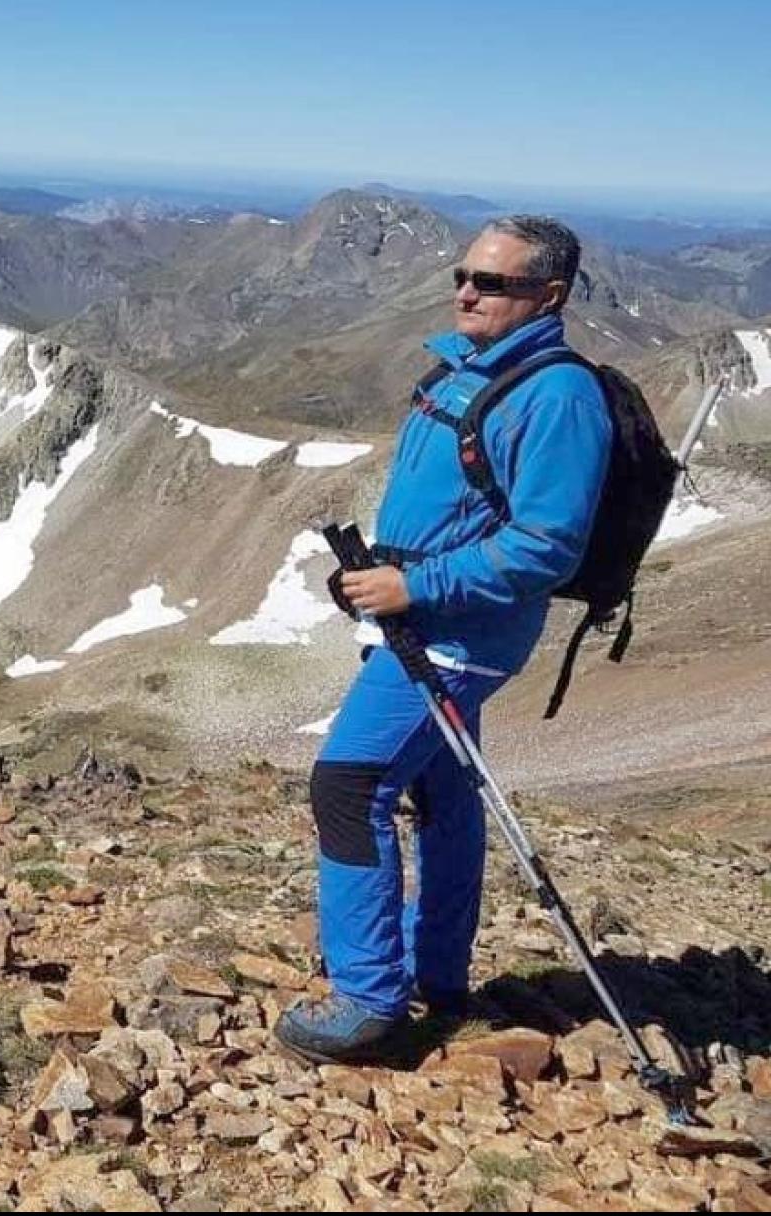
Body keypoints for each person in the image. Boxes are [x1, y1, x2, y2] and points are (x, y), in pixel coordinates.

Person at [273, 215, 613, 1064]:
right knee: (446, 797)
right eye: (465, 275)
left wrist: (415, 585)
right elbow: (455, 507)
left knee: (349, 787)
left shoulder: (559, 395)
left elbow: (546, 544)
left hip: (459, 639)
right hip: (422, 622)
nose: (468, 291)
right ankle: (440, 976)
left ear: (550, 295)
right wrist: (380, 577)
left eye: (492, 282)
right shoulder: (476, 367)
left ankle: (370, 1002)